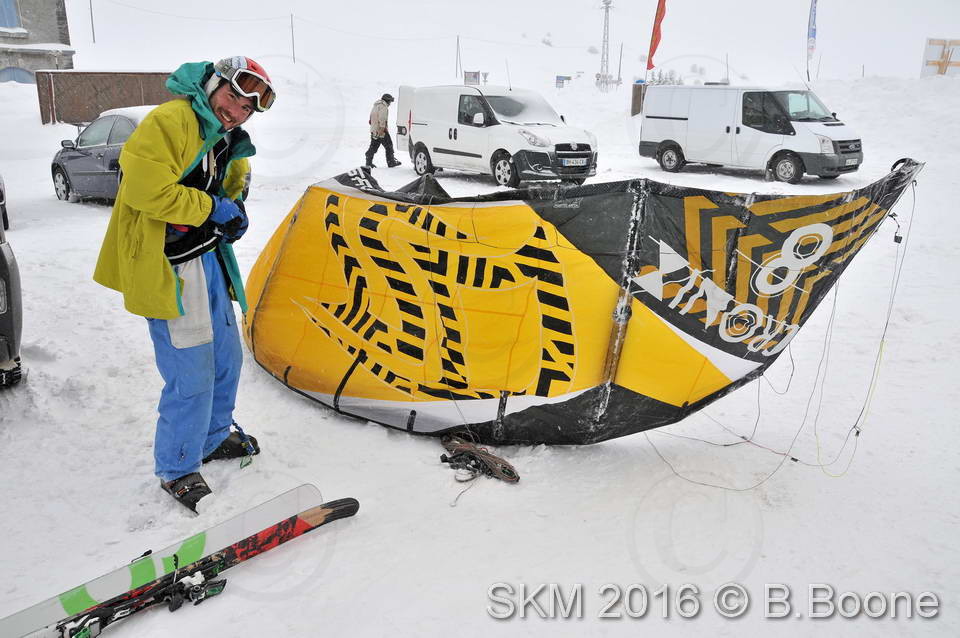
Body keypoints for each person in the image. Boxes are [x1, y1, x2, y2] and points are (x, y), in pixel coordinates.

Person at [93, 56, 277, 513]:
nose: (237, 111)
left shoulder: (224, 135)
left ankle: (213, 438)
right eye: (233, 96)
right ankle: (177, 466)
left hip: (208, 257)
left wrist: (233, 208)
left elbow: (227, 188)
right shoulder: (170, 121)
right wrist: (210, 208)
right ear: (213, 85)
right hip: (170, 268)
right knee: (191, 368)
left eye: (248, 108)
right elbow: (145, 191)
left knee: (226, 358)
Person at [365, 93, 401, 168]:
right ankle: (391, 162)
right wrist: (382, 129)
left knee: (373, 146)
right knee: (389, 146)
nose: (390, 103)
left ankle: (368, 162)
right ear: (387, 101)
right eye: (390, 101)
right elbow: (382, 119)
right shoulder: (383, 106)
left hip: (374, 129)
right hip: (381, 130)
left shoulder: (375, 105)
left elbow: (370, 118)